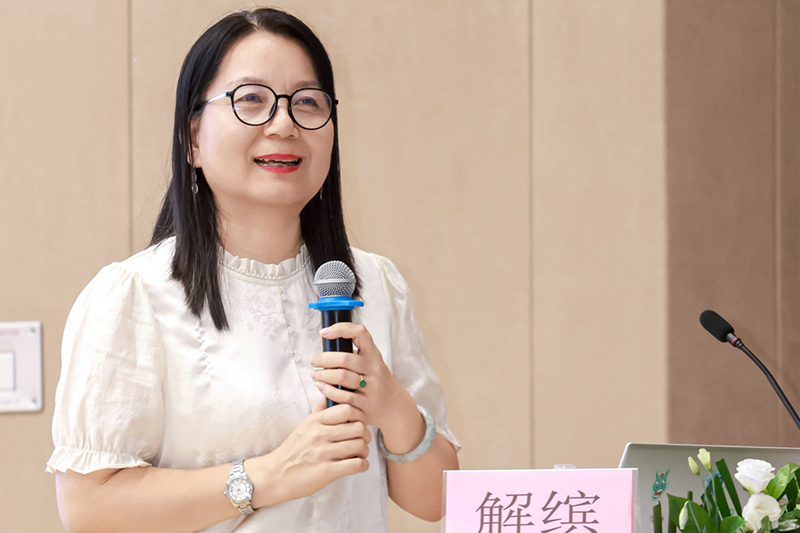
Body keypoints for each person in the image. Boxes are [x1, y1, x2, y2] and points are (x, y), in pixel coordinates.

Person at [47, 8, 459, 533]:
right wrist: (269, 475)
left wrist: (393, 406)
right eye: (251, 100)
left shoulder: (376, 285)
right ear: (193, 139)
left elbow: (436, 501)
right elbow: (89, 509)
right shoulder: (134, 295)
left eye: (307, 102)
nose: (284, 125)